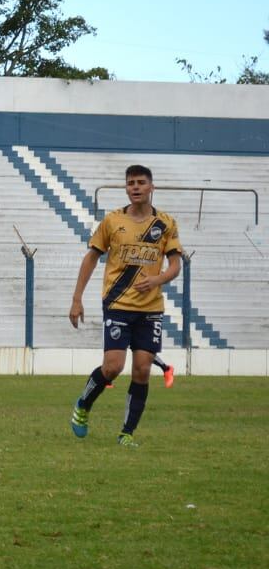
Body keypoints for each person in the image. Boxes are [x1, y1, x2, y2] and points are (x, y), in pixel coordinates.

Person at [69, 165, 183, 447]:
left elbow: (176, 265)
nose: (135, 187)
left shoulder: (165, 223)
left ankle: (126, 433)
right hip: (118, 304)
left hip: (150, 308)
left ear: (151, 187)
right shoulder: (112, 221)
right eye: (130, 183)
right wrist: (76, 299)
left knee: (142, 369)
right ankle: (83, 404)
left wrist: (157, 279)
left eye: (141, 182)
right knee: (113, 367)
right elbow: (91, 257)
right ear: (126, 188)